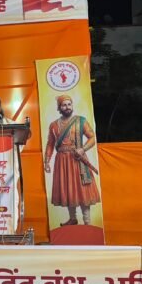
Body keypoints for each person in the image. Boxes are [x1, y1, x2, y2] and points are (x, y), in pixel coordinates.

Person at [44, 95, 100, 225]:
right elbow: (50, 144)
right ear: (59, 108)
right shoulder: (54, 125)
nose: (67, 107)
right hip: (62, 161)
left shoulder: (81, 121)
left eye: (69, 104)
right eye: (64, 105)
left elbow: (92, 137)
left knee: (82, 188)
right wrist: (46, 162)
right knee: (67, 188)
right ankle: (73, 218)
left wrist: (83, 149)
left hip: (78, 160)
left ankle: (87, 221)